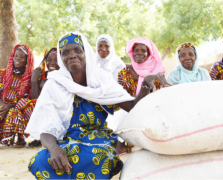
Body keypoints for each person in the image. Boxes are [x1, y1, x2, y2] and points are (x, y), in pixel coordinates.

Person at [25, 32, 171, 179]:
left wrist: (145, 83)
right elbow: (46, 128)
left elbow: (133, 106)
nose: (72, 55)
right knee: (40, 161)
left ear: (86, 53)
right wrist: (53, 148)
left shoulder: (101, 80)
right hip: (66, 139)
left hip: (97, 139)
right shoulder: (54, 84)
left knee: (101, 157)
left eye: (77, 50)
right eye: (65, 52)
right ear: (61, 58)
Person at [114, 37, 166, 154]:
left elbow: (161, 93)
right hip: (128, 107)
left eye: (143, 51)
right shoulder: (125, 71)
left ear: (149, 53)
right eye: (136, 50)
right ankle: (123, 143)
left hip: (150, 107)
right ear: (132, 52)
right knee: (116, 115)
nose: (139, 53)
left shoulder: (157, 72)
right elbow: (120, 93)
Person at [0, 45, 35, 147]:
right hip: (2, 106)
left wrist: (9, 107)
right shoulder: (3, 74)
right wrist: (2, 106)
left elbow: (30, 99)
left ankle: (20, 137)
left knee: (14, 111)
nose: (18, 59)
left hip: (19, 109)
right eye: (16, 56)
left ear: (27, 60)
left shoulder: (30, 77)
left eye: (22, 57)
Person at [28, 48, 60, 147]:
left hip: (58, 109)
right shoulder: (41, 76)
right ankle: (39, 137)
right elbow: (34, 99)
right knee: (32, 105)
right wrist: (34, 81)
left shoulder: (64, 77)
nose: (52, 62)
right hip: (42, 109)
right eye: (49, 59)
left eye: (56, 60)